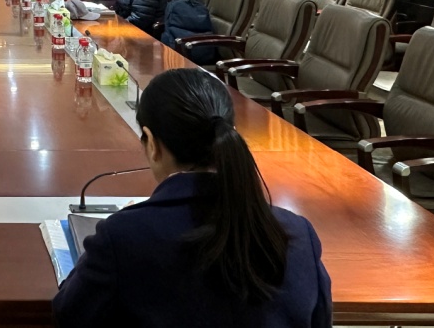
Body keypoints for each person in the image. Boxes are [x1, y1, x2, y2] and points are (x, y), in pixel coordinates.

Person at [53, 68, 332, 327]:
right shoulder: (297, 233)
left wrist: (121, 228)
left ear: (152, 143)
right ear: (231, 134)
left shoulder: (122, 236)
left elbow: (68, 314)